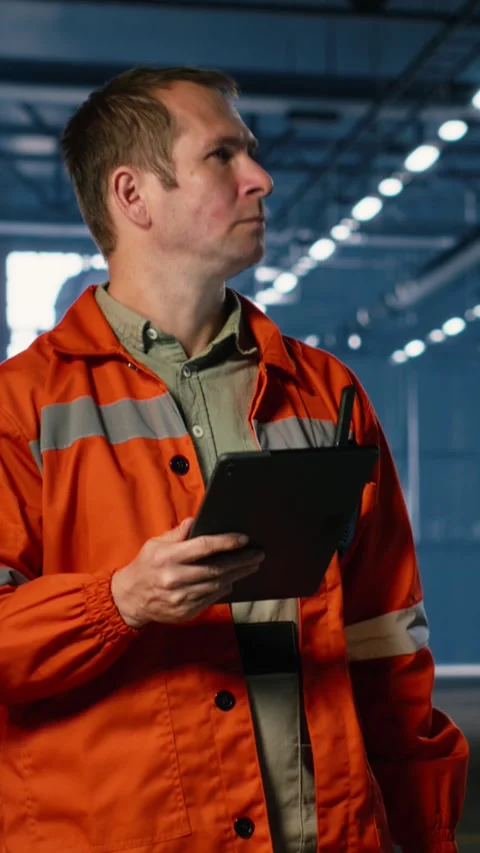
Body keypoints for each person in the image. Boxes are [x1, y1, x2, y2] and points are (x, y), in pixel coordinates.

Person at [0, 66, 468, 853]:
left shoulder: (326, 394)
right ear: (133, 196)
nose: (262, 178)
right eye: (223, 156)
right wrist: (119, 602)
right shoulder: (21, 409)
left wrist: (427, 837)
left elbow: (387, 647)